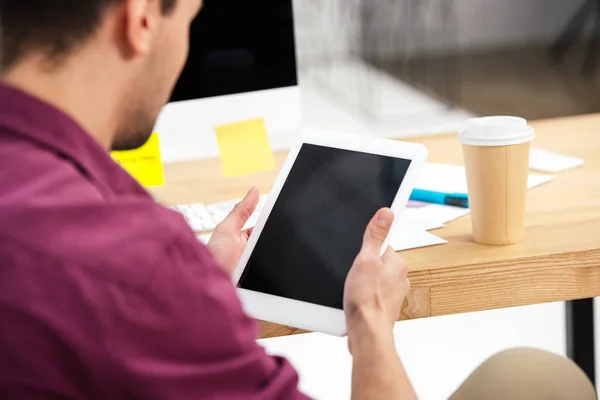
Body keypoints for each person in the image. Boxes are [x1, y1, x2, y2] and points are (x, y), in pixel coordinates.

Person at [0, 1, 595, 399]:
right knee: (537, 376)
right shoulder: (130, 260)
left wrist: (195, 293)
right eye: (189, 15)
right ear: (141, 20)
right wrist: (369, 327)